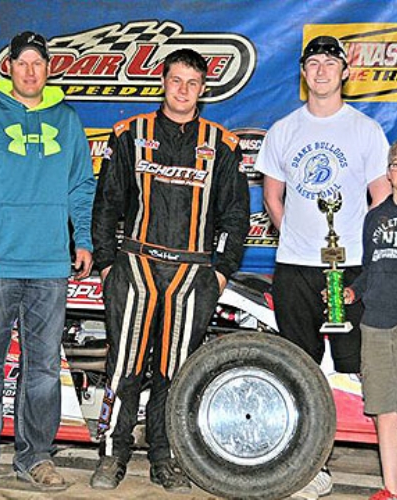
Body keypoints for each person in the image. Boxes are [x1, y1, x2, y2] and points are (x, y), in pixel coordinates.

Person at [90, 48, 250, 492]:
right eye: (176, 80)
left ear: (203, 89)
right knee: (123, 365)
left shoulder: (222, 144)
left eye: (192, 83)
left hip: (191, 275)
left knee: (174, 371)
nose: (183, 90)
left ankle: (165, 456)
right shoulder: (130, 134)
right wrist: (106, 264)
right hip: (136, 266)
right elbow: (107, 204)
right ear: (163, 81)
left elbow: (235, 215)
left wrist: (220, 272)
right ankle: (112, 454)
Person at [0, 31, 95, 490]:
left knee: (45, 369)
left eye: (38, 62)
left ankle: (36, 456)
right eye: (22, 62)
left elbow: (81, 185)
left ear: (49, 69)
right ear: (8, 68)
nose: (30, 70)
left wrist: (83, 238)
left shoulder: (67, 120)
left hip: (49, 264)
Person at [255, 35, 391, 499]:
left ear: (345, 71)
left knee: (358, 369)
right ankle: (305, 468)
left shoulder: (365, 131)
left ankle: (386, 471)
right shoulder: (284, 130)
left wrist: (369, 258)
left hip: (351, 267)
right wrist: (293, 234)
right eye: (312, 63)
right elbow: (272, 195)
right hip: (295, 266)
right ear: (303, 72)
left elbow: (381, 199)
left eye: (329, 62)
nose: (321, 71)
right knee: (298, 369)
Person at [344, 142, 397, 500]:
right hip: (377, 324)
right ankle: (392, 488)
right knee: (384, 409)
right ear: (390, 172)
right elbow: (368, 269)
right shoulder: (375, 217)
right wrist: (351, 292)